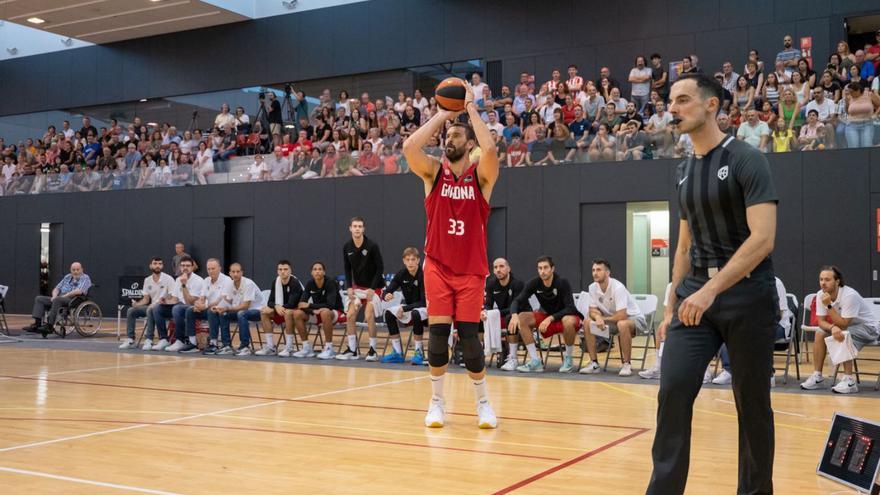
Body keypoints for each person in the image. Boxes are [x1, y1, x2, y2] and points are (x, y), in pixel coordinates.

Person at [647, 73, 779, 495]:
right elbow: (684, 243)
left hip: (748, 297)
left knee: (752, 405)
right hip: (693, 301)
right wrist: (672, 303)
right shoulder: (683, 170)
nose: (673, 108)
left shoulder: (746, 159)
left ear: (711, 106)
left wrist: (711, 290)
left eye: (682, 100)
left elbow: (763, 238)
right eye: (670, 101)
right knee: (672, 391)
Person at [402, 79, 500, 429]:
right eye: (448, 137)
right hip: (438, 267)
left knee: (471, 340)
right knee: (439, 339)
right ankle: (436, 403)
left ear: (469, 142)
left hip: (471, 270)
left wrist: (470, 109)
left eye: (457, 136)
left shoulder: (481, 178)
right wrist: (443, 115)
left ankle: (484, 404)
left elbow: (490, 152)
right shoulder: (433, 174)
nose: (450, 139)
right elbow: (409, 147)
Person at [800, 266, 880, 394]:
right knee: (820, 333)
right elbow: (821, 322)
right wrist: (832, 327)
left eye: (827, 279)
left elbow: (843, 325)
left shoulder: (849, 295)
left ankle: (849, 381)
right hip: (847, 327)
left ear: (837, 281)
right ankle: (818, 377)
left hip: (869, 328)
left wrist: (828, 305)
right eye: (821, 279)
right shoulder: (821, 294)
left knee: (842, 334)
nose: (823, 283)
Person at [507, 256, 583, 374]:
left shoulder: (562, 282)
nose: (542, 271)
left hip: (569, 317)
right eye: (540, 268)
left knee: (567, 320)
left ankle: (568, 360)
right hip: (549, 318)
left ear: (552, 269)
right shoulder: (534, 283)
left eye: (545, 268)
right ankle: (535, 361)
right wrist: (514, 315)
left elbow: (570, 308)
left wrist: (550, 318)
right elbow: (517, 301)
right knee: (522, 318)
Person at [584, 258, 648, 376]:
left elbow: (622, 315)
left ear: (607, 273)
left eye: (599, 270)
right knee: (587, 322)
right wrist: (597, 318)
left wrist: (602, 318)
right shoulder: (592, 287)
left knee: (622, 324)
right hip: (613, 320)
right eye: (593, 270)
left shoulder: (618, 288)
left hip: (635, 319)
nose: (595, 273)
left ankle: (627, 364)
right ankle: (594, 363)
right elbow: (592, 310)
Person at [336, 217, 385, 361]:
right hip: (357, 288)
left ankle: (372, 350)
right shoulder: (347, 247)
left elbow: (380, 268)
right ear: (350, 228)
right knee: (350, 315)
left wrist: (372, 288)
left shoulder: (372, 246)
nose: (357, 229)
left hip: (374, 287)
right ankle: (352, 350)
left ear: (363, 229)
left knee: (369, 314)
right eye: (355, 226)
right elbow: (347, 268)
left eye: (360, 226)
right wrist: (349, 287)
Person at [380, 247, 428, 365]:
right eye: (408, 260)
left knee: (416, 313)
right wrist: (386, 295)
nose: (410, 262)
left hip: (426, 309)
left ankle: (419, 352)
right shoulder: (401, 274)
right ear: (404, 261)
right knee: (388, 313)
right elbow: (388, 290)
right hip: (410, 307)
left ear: (418, 260)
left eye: (413, 259)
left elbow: (423, 302)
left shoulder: (424, 274)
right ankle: (397, 352)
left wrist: (404, 308)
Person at [119, 257, 175, 350]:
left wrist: (159, 302)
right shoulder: (147, 280)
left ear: (162, 266)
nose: (157, 266)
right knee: (131, 311)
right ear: (151, 265)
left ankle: (149, 339)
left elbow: (171, 296)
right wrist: (137, 304)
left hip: (164, 307)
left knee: (150, 309)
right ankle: (131, 339)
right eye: (155, 263)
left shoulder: (168, 279)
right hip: (151, 306)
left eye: (160, 264)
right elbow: (146, 299)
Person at [291, 261, 342, 360]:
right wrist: (312, 311)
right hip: (318, 313)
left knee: (325, 311)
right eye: (315, 269)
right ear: (311, 273)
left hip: (336, 312)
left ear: (324, 272)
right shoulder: (310, 283)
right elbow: (301, 304)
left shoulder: (330, 282)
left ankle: (329, 348)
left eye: (320, 269)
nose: (317, 271)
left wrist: (310, 305)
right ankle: (307, 348)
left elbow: (330, 305)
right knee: (297, 313)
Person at [25, 262, 92, 337]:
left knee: (57, 300)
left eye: (77, 269)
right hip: (60, 298)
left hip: (74, 300)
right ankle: (37, 324)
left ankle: (49, 326)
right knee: (39, 299)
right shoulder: (67, 277)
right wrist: (54, 296)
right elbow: (57, 288)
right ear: (70, 270)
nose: (75, 271)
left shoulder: (85, 277)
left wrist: (65, 296)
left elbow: (79, 291)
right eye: (73, 270)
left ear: (82, 269)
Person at [155, 256, 205, 353]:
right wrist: (165, 301)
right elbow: (174, 299)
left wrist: (184, 285)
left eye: (188, 265)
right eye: (182, 265)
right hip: (178, 306)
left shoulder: (198, 280)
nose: (185, 268)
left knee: (177, 308)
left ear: (192, 267)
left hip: (192, 308)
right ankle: (164, 339)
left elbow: (189, 302)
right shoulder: (178, 279)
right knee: (158, 308)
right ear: (179, 267)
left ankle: (180, 340)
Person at [255, 260, 303, 357]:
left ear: (290, 271)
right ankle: (270, 347)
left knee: (288, 312)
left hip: (297, 310)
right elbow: (270, 302)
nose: (283, 271)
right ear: (277, 271)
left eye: (285, 269)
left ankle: (289, 347)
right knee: (264, 312)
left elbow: (292, 303)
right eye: (280, 269)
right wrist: (276, 306)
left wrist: (278, 307)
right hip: (281, 309)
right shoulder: (275, 282)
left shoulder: (295, 283)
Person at [219, 263, 263, 356]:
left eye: (238, 272)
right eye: (233, 272)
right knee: (223, 314)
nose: (235, 274)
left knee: (241, 314)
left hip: (258, 311)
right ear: (229, 273)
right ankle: (227, 346)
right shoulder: (230, 284)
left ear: (242, 273)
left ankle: (245, 347)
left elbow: (246, 306)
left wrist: (228, 308)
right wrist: (220, 307)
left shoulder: (248, 283)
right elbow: (229, 302)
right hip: (242, 312)